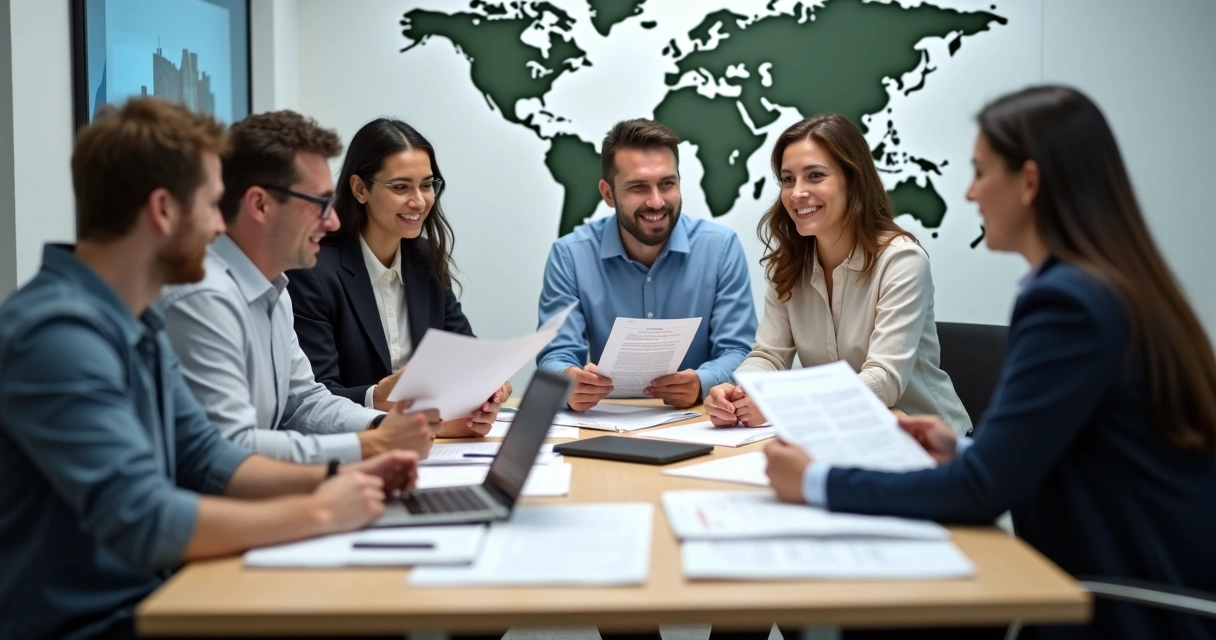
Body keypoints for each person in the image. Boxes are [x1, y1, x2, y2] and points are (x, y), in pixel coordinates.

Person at [764, 86, 1216, 640]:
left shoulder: (1067, 304)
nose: (971, 192)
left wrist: (815, 481)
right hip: (1106, 577)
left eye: (981, 172)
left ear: (1028, 183)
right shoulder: (1105, 285)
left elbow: (982, 491)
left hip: (1116, 608)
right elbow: (1084, 451)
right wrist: (968, 449)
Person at [0, 98, 429, 640]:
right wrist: (321, 510)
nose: (218, 225)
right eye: (209, 205)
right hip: (96, 620)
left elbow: (207, 454)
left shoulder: (133, 322)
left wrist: (342, 476)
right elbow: (144, 518)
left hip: (158, 595)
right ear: (162, 210)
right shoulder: (57, 334)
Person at [157, 110, 438, 465]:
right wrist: (373, 445)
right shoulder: (203, 298)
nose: (333, 219)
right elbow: (230, 447)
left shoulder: (274, 287)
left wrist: (384, 426)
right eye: (320, 203)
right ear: (260, 204)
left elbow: (303, 402)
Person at [705, 114, 970, 435]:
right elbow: (770, 356)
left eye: (815, 176)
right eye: (788, 180)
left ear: (853, 181)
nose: (797, 193)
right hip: (839, 435)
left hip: (926, 444)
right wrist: (737, 391)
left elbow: (883, 381)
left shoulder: (901, 260)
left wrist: (781, 403)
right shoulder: (787, 265)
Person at [287, 118, 507, 437]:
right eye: (401, 187)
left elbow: (465, 356)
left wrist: (488, 390)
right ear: (360, 189)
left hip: (432, 446)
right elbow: (311, 399)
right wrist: (377, 396)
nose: (419, 201)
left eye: (427, 184)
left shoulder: (425, 260)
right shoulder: (313, 272)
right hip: (354, 449)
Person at [536, 118, 758, 411]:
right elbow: (555, 355)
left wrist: (702, 382)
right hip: (606, 425)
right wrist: (568, 382)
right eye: (638, 187)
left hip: (697, 420)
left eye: (667, 184)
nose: (656, 202)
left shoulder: (720, 247)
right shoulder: (570, 255)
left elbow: (739, 350)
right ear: (608, 194)